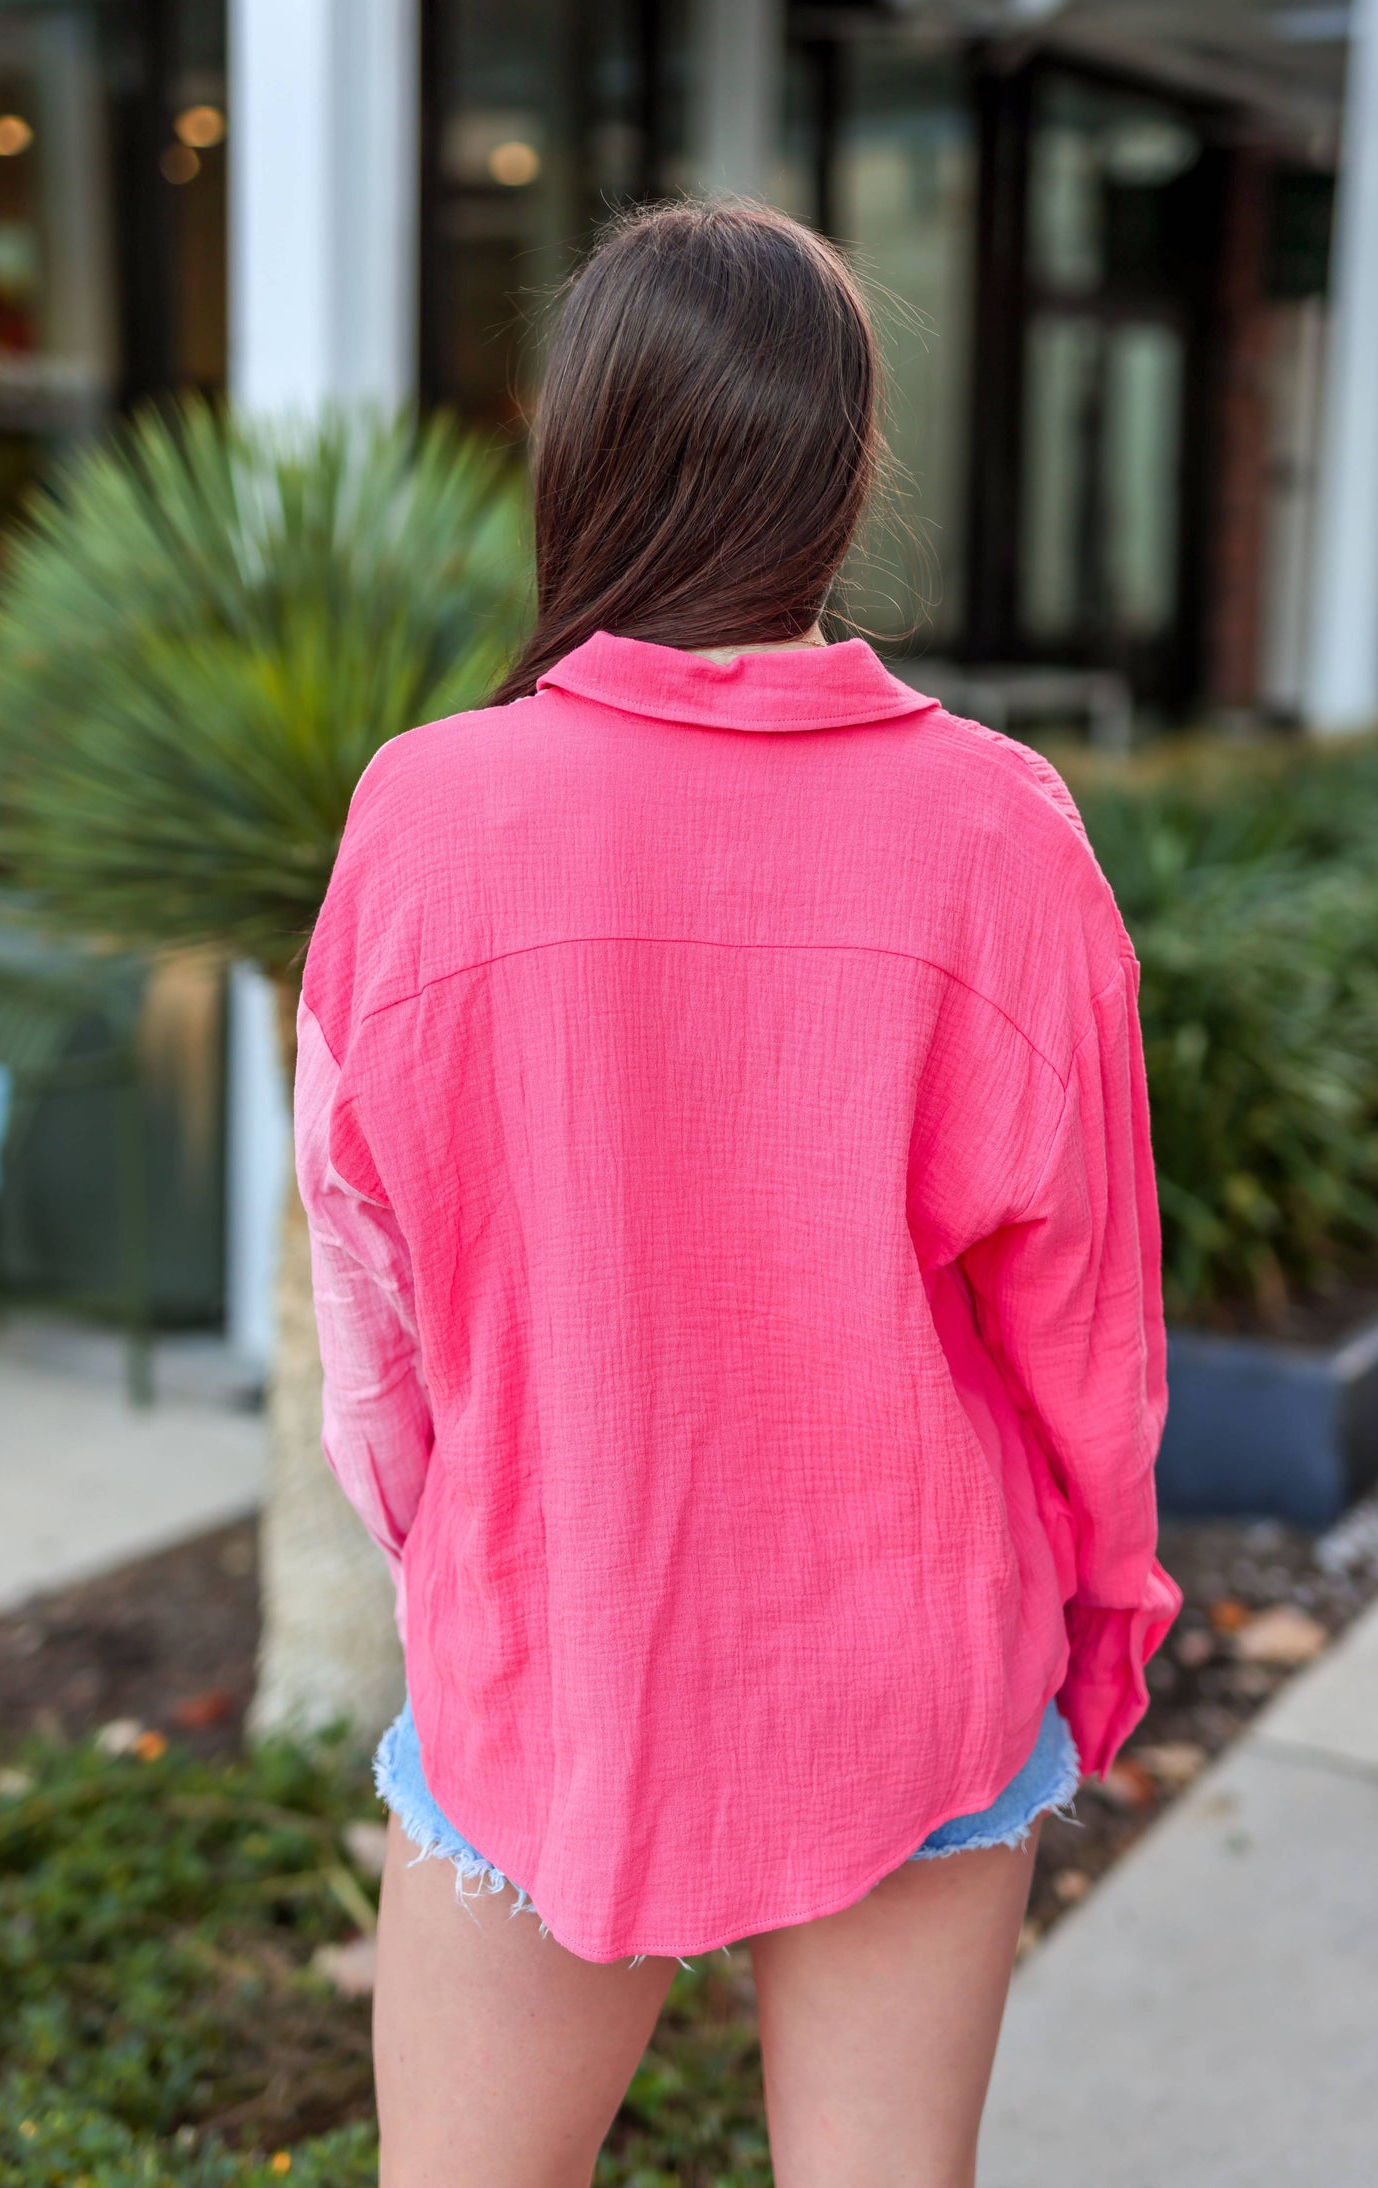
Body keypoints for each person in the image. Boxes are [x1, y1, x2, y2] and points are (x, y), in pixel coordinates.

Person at [294, 199, 1180, 2188]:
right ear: (850, 464)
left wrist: (484, 1554)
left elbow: (369, 1295)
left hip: (555, 1634)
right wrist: (1107, 1609)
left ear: (573, 447)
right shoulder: (995, 830)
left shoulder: (426, 816)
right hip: (913, 1666)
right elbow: (1089, 1320)